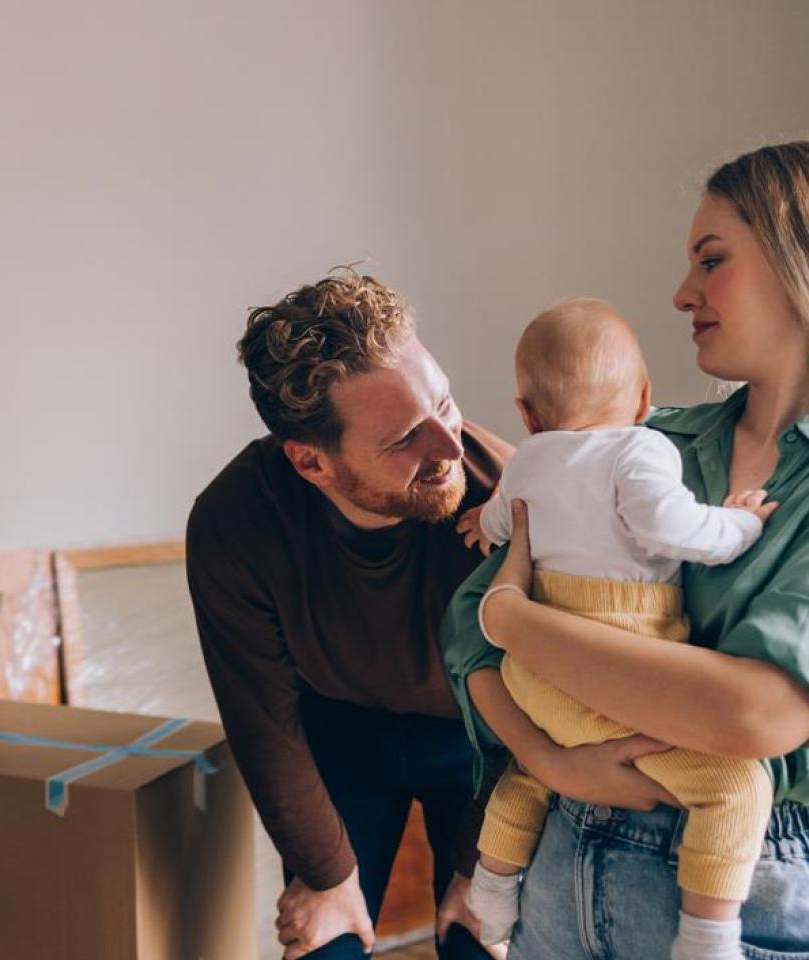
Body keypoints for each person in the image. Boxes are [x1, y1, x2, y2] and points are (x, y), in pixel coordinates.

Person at [443, 140, 809, 958]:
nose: (681, 292)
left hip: (768, 885)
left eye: (711, 260)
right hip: (565, 860)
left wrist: (518, 623)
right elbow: (462, 628)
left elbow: (756, 711)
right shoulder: (648, 443)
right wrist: (546, 758)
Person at [186, 269, 507, 959]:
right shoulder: (236, 522)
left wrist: (483, 869)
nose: (448, 448)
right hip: (337, 729)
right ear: (311, 463)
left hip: (488, 739)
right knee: (322, 944)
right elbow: (262, 720)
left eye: (445, 404)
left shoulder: (509, 497)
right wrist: (328, 878)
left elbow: (549, 707)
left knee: (483, 940)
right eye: (405, 439)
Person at [455, 298, 779, 960]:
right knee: (737, 786)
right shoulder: (641, 447)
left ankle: (491, 889)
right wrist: (743, 521)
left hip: (534, 674)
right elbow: (674, 528)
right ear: (644, 399)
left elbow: (497, 524)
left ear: (525, 412)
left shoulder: (526, 461)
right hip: (617, 669)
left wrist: (477, 527)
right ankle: (706, 937)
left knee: (532, 771)